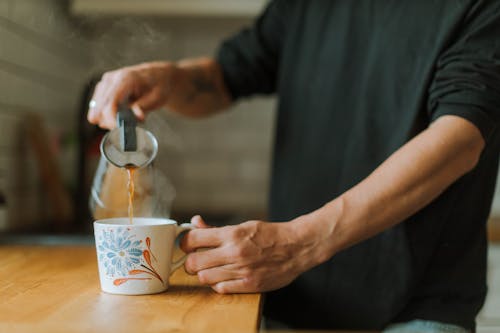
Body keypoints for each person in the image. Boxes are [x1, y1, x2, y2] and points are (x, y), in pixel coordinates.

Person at [87, 1, 500, 332]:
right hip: (296, 298)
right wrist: (168, 78)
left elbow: (460, 139)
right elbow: (222, 80)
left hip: (416, 305)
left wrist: (301, 243)